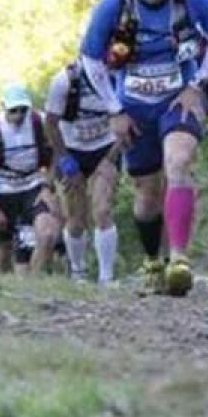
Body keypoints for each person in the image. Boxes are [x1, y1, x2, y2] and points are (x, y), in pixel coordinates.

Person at [78, 0, 208, 296]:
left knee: (179, 161)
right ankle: (153, 260)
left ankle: (179, 260)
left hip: (179, 101)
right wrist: (114, 109)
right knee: (147, 193)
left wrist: (196, 82)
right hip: (133, 108)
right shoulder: (114, 4)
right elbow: (89, 58)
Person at [0, 83, 62, 276]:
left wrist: (47, 185)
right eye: (13, 110)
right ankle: (5, 290)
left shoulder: (40, 122)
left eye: (23, 109)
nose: (19, 115)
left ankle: (33, 283)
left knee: (48, 233)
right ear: (4, 108)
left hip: (33, 186)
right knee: (4, 246)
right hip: (1, 192)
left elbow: (58, 153)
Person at [43, 60, 121, 285]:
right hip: (72, 149)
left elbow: (128, 119)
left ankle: (107, 277)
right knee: (76, 219)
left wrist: (110, 159)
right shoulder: (64, 82)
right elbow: (50, 124)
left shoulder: (119, 76)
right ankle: (78, 270)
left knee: (103, 210)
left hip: (107, 147)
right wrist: (66, 161)